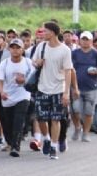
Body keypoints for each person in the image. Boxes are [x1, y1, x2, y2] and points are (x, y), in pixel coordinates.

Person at [32, 21, 74, 160]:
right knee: (41, 118)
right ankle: (46, 138)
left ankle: (54, 147)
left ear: (53, 32)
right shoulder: (41, 46)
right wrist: (37, 62)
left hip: (58, 89)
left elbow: (68, 71)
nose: (43, 34)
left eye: (45, 31)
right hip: (42, 88)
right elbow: (33, 61)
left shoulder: (65, 50)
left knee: (55, 119)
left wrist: (66, 92)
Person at [0, 38, 35, 157]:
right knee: (8, 122)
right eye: (12, 47)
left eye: (18, 47)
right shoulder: (5, 63)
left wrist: (24, 80)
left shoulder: (28, 62)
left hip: (23, 94)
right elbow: (0, 80)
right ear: (9, 49)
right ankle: (9, 141)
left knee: (19, 120)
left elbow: (33, 77)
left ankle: (15, 147)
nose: (15, 50)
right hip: (8, 96)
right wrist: (1, 92)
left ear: (22, 49)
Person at [70, 31, 97, 143]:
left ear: (91, 41)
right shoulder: (74, 53)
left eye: (87, 39)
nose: (85, 42)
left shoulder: (96, 54)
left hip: (91, 87)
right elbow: (68, 67)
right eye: (83, 39)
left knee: (88, 111)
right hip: (76, 86)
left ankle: (85, 133)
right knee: (75, 109)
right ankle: (77, 127)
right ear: (79, 40)